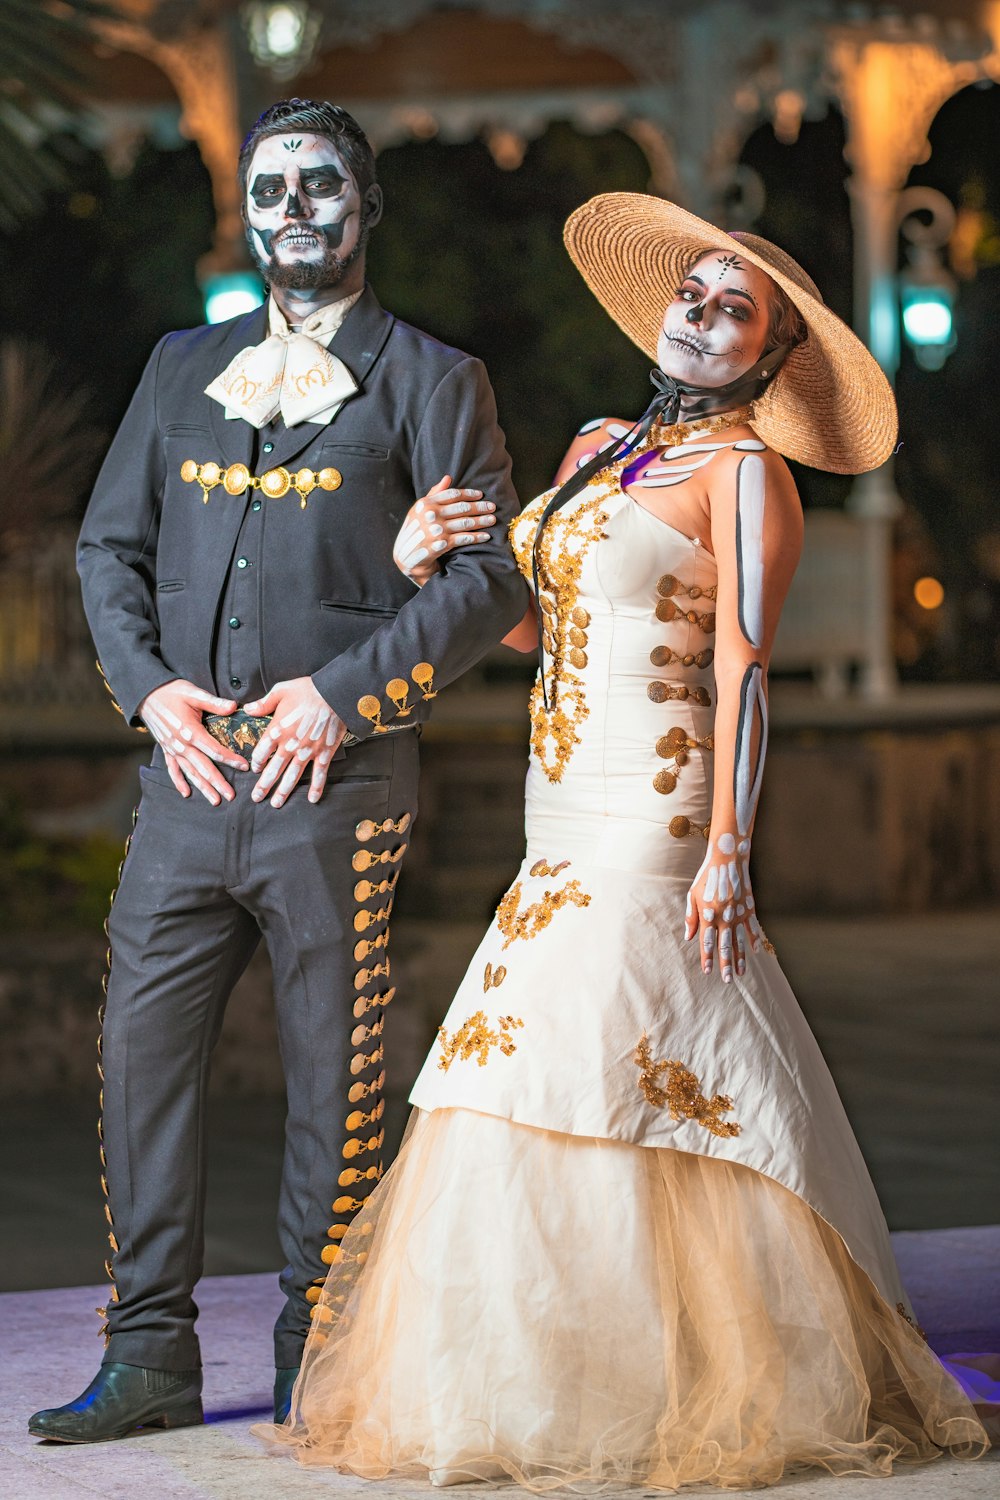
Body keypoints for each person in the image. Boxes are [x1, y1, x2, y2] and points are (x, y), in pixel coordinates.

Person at [258, 193, 993, 1490]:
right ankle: (540, 1364)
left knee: (619, 1039)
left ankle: (689, 1370)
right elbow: (543, 628)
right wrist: (429, 561)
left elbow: (745, 677)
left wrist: (727, 854)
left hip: (656, 808)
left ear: (768, 353)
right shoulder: (601, 446)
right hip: (562, 799)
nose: (701, 319)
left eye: (733, 310)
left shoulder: (748, 476)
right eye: (691, 297)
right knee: (530, 1056)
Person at [27, 97, 527, 1445]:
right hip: (188, 784)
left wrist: (342, 699)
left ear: (364, 205)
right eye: (270, 190)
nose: (292, 209)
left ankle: (322, 1340)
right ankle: (148, 1354)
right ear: (245, 214)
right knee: (140, 1059)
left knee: (337, 1068)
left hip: (336, 790)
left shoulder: (432, 377)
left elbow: (486, 582)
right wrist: (150, 694)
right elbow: (104, 551)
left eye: (318, 186)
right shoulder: (182, 366)